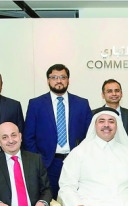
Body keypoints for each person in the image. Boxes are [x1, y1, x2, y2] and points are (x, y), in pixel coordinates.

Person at [24, 64, 92, 197]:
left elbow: (90, 135)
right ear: (48, 80)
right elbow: (28, 137)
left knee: (75, 200)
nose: (59, 81)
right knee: (50, 201)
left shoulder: (82, 104)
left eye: (63, 77)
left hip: (76, 162)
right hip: (48, 164)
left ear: (68, 80)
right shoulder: (36, 104)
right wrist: (38, 161)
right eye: (54, 77)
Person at [96, 79, 128, 152]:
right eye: (109, 91)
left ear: (121, 94)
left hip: (125, 155)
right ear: (103, 95)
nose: (114, 94)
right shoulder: (95, 114)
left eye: (117, 91)